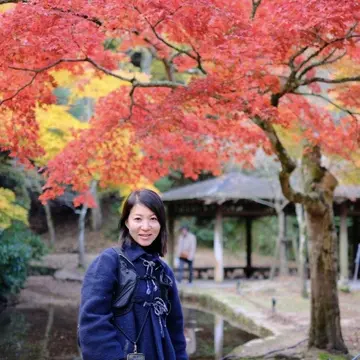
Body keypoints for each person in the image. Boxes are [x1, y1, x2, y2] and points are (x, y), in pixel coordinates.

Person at [78, 189, 188, 360]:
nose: (146, 227)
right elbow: (92, 324)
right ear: (127, 223)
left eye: (153, 219)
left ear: (161, 224)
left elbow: (176, 329)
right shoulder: (109, 262)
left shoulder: (163, 272)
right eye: (138, 219)